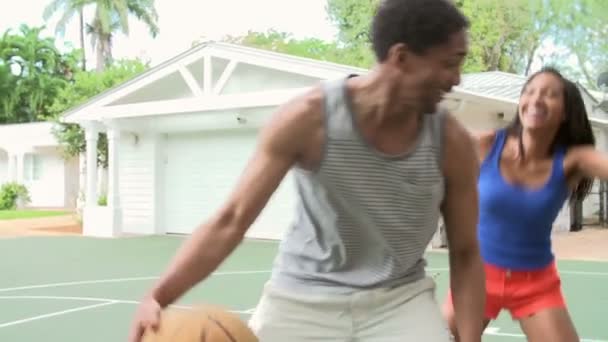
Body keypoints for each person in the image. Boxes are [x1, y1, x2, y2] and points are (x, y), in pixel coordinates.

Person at [129, 0, 486, 341]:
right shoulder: (309, 119)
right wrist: (158, 296)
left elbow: (466, 252)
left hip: (398, 299)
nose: (456, 79)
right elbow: (232, 219)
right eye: (448, 63)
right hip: (302, 295)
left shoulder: (450, 143)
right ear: (402, 58)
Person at [442, 66, 608, 341]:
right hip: (477, 279)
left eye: (549, 94)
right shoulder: (486, 145)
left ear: (566, 112)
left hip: (536, 284)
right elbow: (428, 147)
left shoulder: (574, 160)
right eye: (530, 91)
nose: (536, 99)